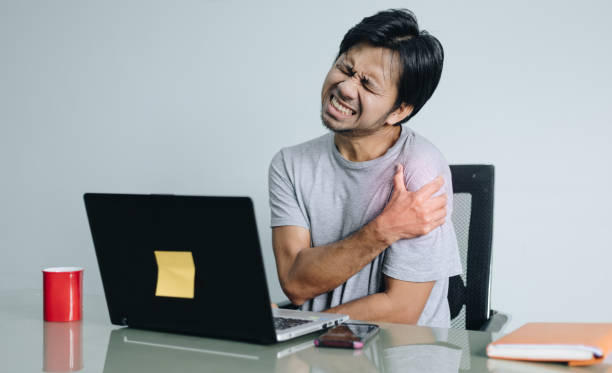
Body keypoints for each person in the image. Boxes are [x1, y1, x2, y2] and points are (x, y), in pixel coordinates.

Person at [268, 9, 461, 327]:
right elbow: (295, 284)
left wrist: (298, 327)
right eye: (345, 68)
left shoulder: (420, 169)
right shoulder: (289, 164)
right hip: (318, 352)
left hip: (399, 354)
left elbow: (402, 310)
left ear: (398, 111)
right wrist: (384, 229)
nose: (345, 87)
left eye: (368, 86)